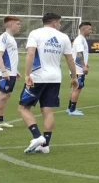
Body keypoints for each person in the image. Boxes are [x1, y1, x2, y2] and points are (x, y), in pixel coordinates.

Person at [18, 13, 79, 155]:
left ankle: (37, 137)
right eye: (60, 23)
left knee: (23, 108)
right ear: (54, 23)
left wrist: (27, 74)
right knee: (48, 110)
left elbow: (31, 54)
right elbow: (70, 59)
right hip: (55, 78)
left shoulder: (36, 33)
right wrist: (74, 77)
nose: (60, 25)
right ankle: (45, 145)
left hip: (38, 77)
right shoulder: (63, 37)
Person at [0, 16, 21, 131]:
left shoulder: (11, 38)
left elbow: (10, 57)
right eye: (18, 24)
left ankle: (0, 120)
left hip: (11, 72)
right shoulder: (4, 38)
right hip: (5, 73)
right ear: (10, 24)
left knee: (7, 95)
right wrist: (4, 71)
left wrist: (15, 71)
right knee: (0, 96)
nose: (19, 26)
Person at [66, 21, 93, 116]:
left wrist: (86, 63)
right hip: (78, 69)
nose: (91, 31)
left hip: (77, 68)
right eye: (89, 29)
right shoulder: (79, 40)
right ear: (83, 29)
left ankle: (70, 108)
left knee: (75, 88)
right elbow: (79, 54)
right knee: (78, 88)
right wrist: (83, 66)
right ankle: (72, 110)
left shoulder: (81, 39)